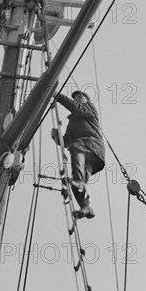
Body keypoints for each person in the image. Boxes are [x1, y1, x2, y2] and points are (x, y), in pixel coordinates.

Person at [52, 90, 105, 219]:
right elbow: (66, 141)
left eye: (81, 96)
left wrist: (56, 94)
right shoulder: (73, 123)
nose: (78, 99)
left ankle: (78, 181)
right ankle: (86, 207)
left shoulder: (89, 109)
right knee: (79, 184)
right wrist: (56, 137)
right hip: (87, 156)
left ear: (87, 99)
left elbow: (77, 108)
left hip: (92, 146)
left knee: (76, 148)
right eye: (76, 98)